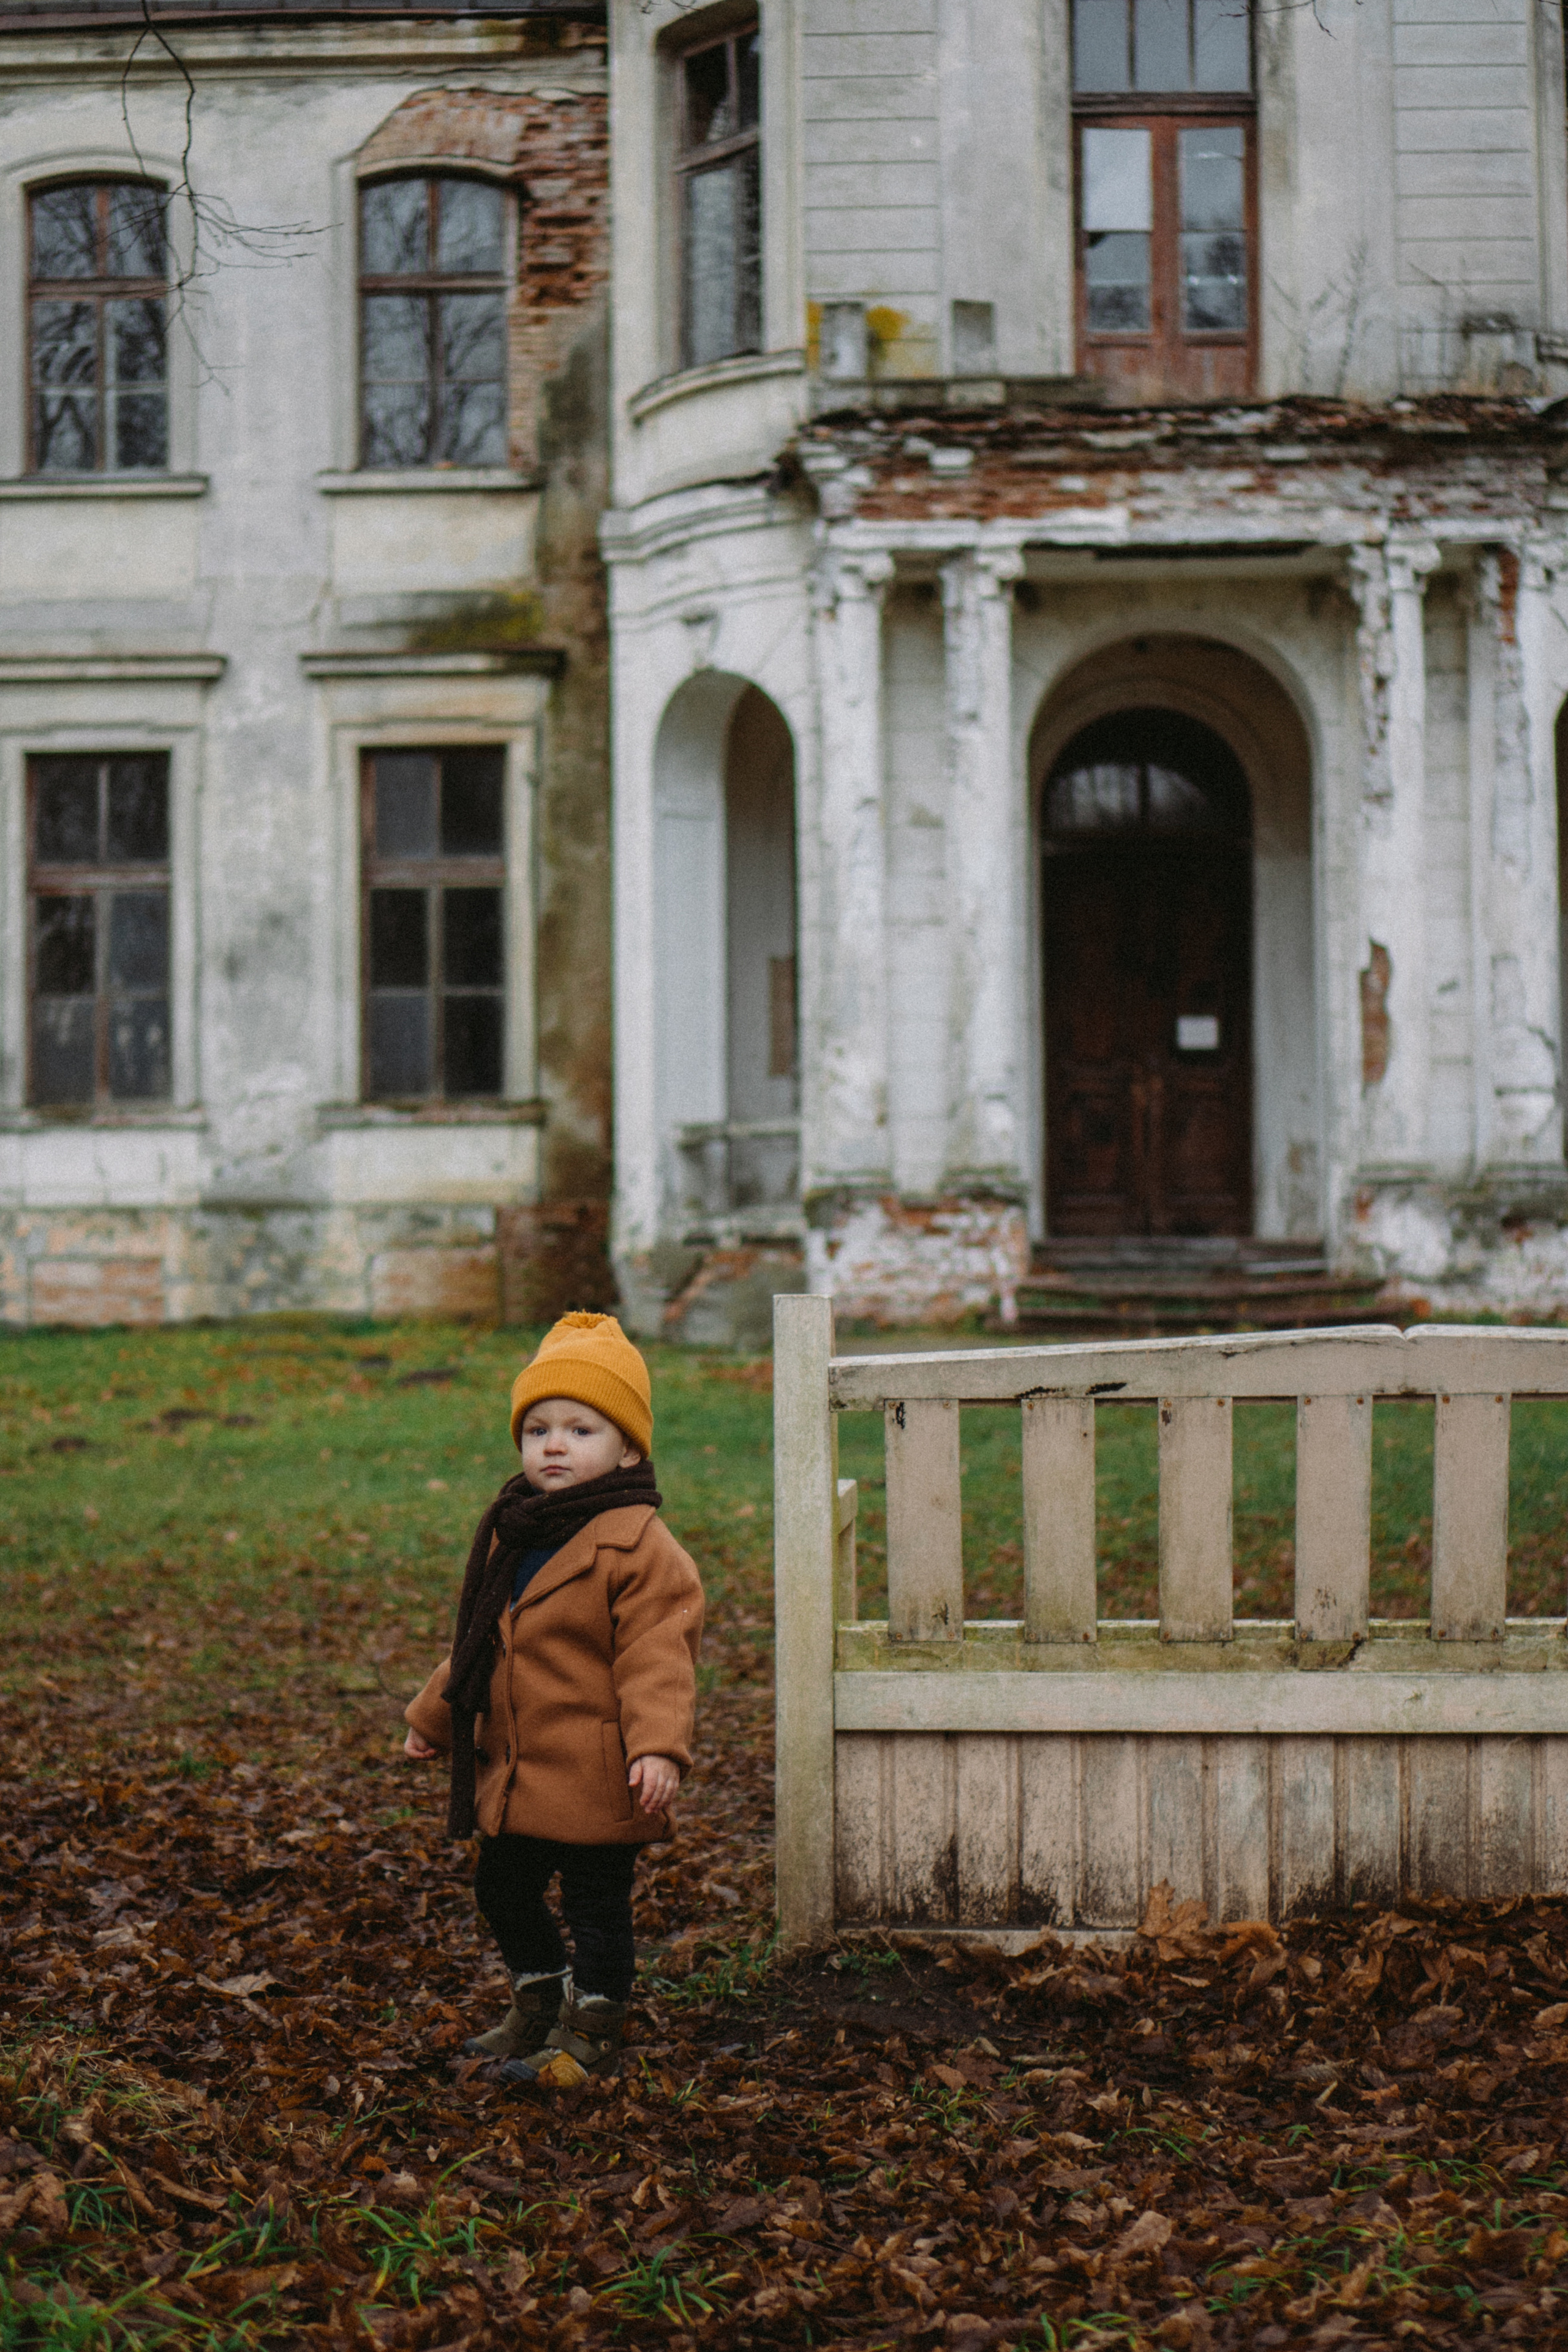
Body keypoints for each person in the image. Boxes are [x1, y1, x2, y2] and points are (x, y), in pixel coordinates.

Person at [403, 1311, 703, 2090]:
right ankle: (538, 1999)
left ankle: (595, 2028)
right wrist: (435, 1717)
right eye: (538, 1429)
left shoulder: (639, 1547)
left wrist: (659, 1746)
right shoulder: (515, 1532)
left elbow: (657, 1657)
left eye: (580, 1428)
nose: (555, 1445)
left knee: (596, 1906)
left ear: (628, 1447)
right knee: (501, 1887)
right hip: (526, 1772)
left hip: (602, 1771)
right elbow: (482, 1639)